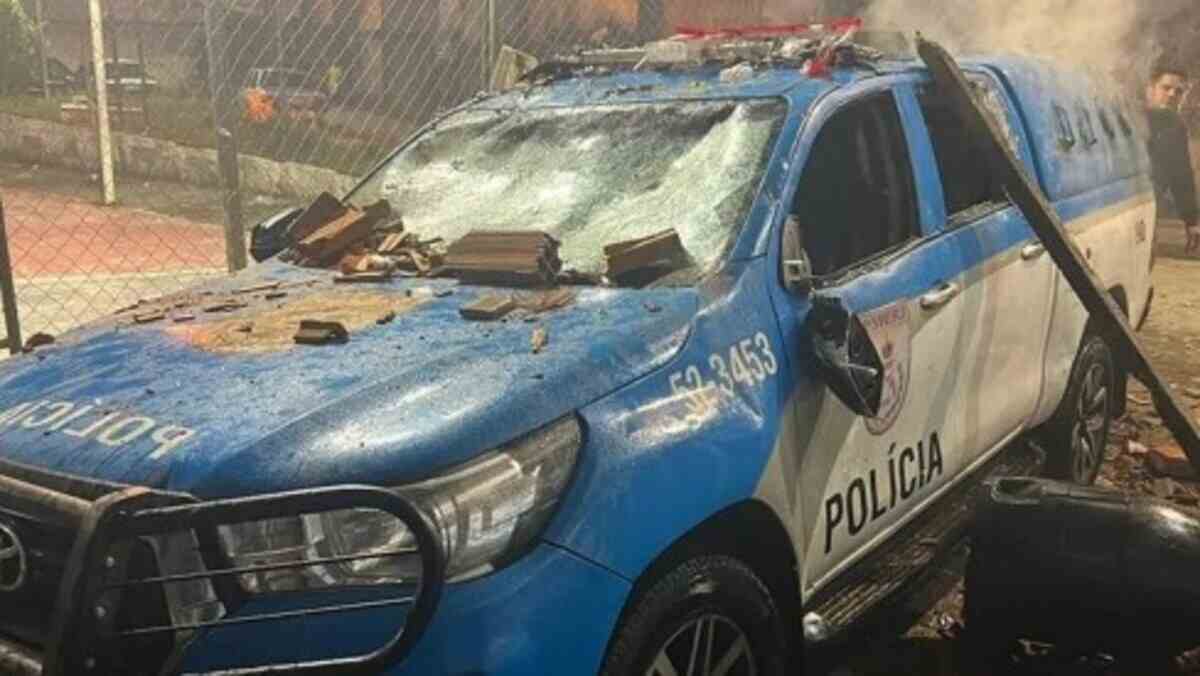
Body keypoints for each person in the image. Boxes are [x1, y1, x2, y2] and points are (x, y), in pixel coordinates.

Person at [1145, 61, 1200, 254]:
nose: (1172, 95)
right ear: (1150, 88)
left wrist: (1191, 221)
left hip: (1148, 212)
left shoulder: (1175, 126)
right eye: (1166, 88)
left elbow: (1181, 175)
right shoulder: (1129, 115)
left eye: (1178, 92)